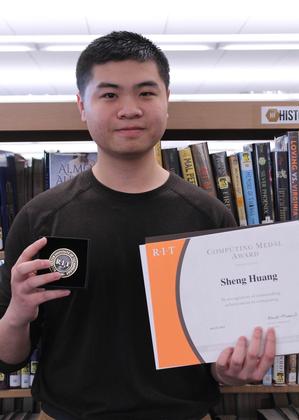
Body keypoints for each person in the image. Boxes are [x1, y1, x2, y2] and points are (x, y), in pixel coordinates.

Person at [0, 31, 275, 420]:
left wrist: (229, 369)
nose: (129, 109)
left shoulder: (209, 217)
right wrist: (18, 313)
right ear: (82, 105)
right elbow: (8, 357)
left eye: (146, 93)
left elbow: (218, 357)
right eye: (109, 94)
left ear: (167, 101)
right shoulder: (40, 218)